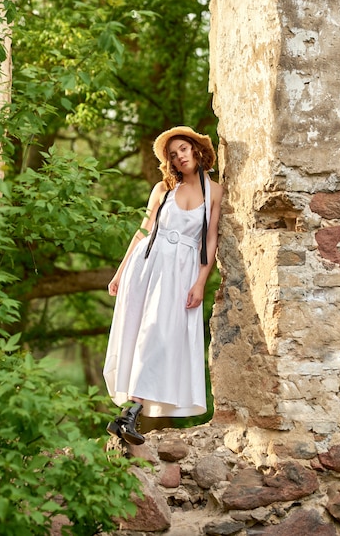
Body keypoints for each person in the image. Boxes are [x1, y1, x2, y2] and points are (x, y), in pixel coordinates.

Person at [103, 126, 223, 445]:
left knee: (160, 335)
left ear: (196, 150)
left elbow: (210, 241)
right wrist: (119, 272)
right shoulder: (163, 189)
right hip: (148, 265)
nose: (179, 156)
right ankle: (130, 414)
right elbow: (142, 232)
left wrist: (200, 282)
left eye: (183, 149)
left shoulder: (216, 192)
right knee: (140, 333)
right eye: (173, 154)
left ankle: (130, 413)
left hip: (181, 272)